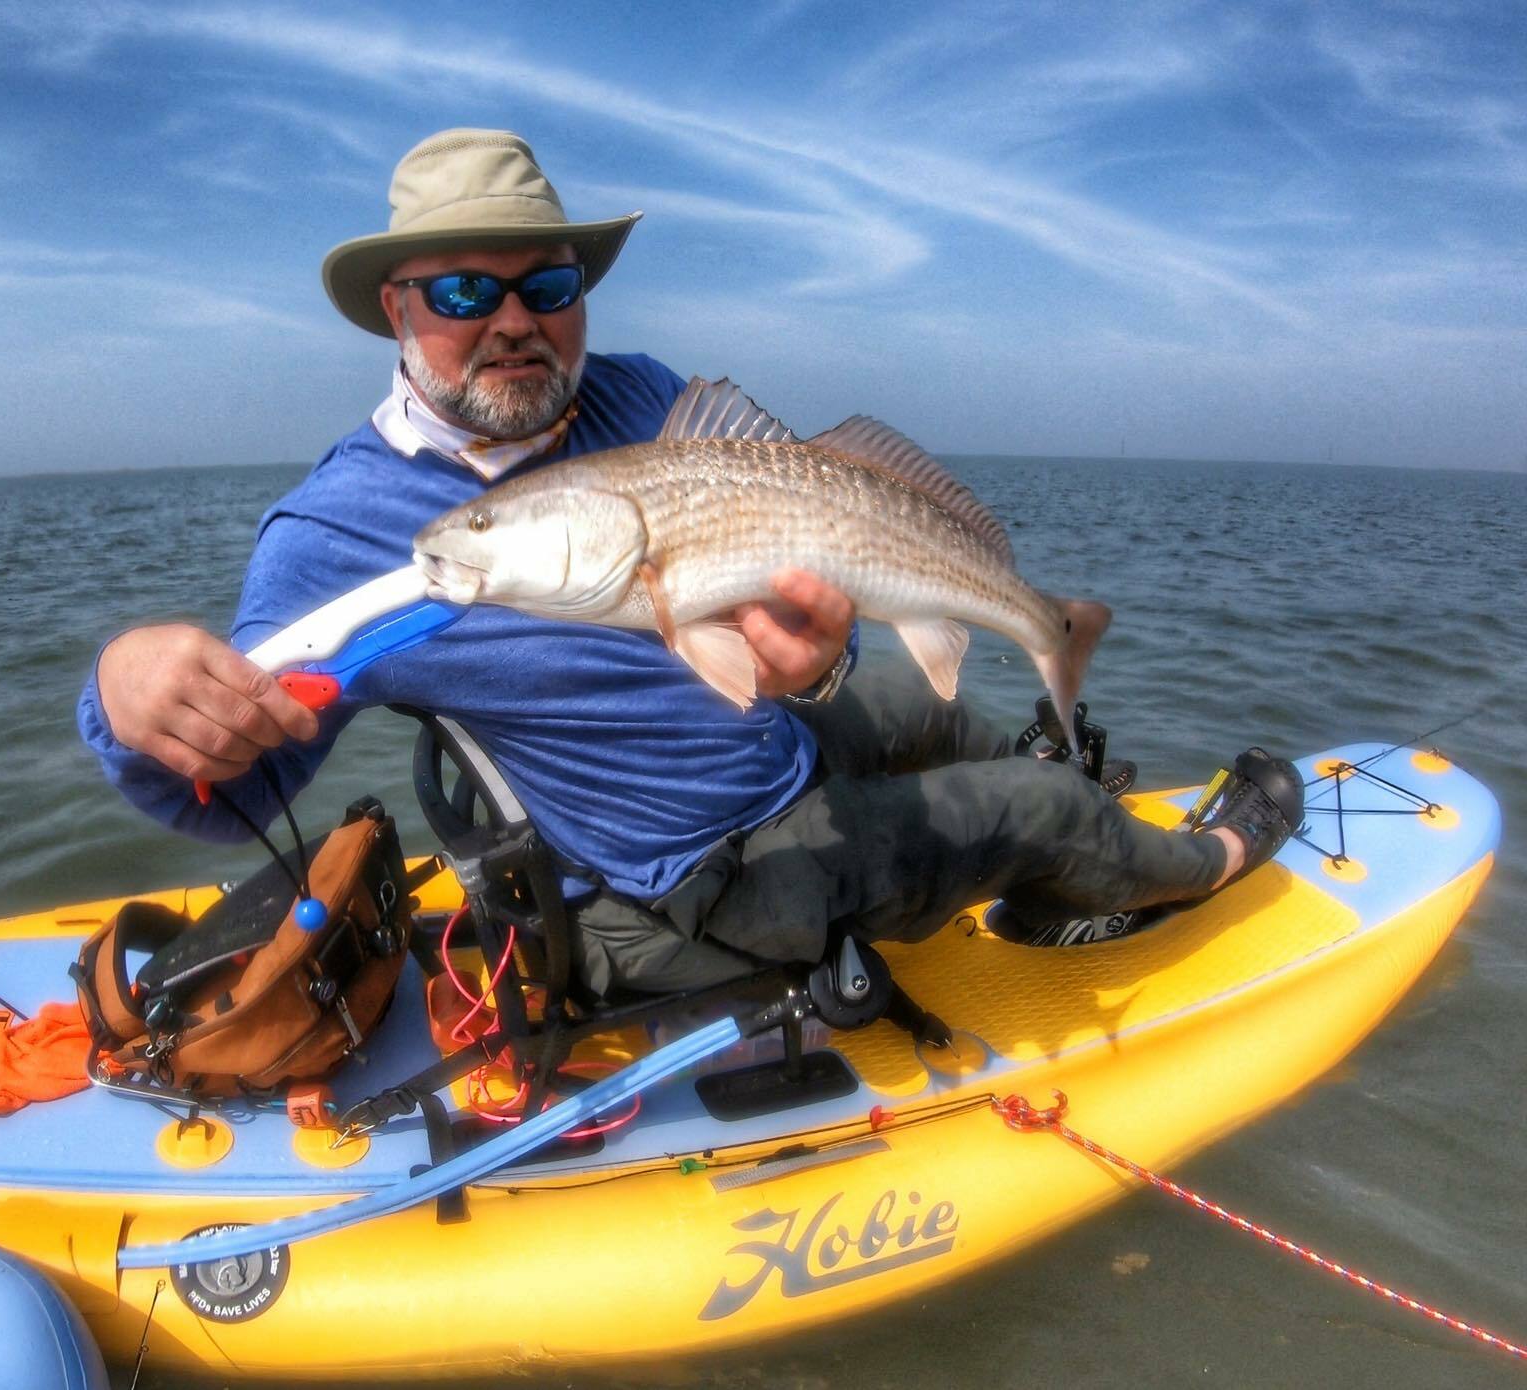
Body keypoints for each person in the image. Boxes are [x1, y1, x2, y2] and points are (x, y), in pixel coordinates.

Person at [79, 128, 1301, 999]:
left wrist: (819, 666)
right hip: (689, 879)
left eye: (547, 284)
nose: (515, 320)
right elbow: (228, 787)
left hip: (772, 736)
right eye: (461, 290)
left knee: (937, 711)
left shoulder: (639, 396)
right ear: (396, 308)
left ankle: (1067, 813)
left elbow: (798, 578)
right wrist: (124, 693)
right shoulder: (341, 532)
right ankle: (1205, 859)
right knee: (1039, 804)